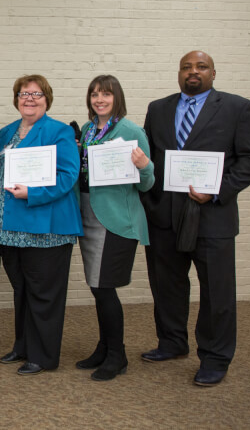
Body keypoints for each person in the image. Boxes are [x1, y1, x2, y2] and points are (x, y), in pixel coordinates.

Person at [141, 51, 250, 387]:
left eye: (201, 66)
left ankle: (214, 357)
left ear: (213, 73)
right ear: (179, 73)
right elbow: (149, 156)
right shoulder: (158, 108)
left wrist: (217, 190)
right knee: (167, 285)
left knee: (216, 291)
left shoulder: (238, 108)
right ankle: (172, 342)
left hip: (212, 215)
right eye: (186, 67)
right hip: (165, 214)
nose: (193, 71)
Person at [0, 74, 82, 376]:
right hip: (8, 229)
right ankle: (23, 346)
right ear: (16, 99)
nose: (29, 99)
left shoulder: (60, 132)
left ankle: (43, 356)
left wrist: (33, 193)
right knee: (22, 290)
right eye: (24, 94)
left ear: (47, 99)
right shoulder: (5, 132)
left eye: (36, 94)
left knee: (44, 293)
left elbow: (68, 176)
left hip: (45, 229)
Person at [74, 75, 154, 381]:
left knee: (104, 288)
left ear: (116, 98)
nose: (99, 99)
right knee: (97, 287)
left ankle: (117, 355)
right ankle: (104, 347)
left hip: (116, 220)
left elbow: (148, 182)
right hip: (88, 215)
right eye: (94, 94)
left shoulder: (131, 131)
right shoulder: (87, 129)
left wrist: (144, 165)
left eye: (106, 94)